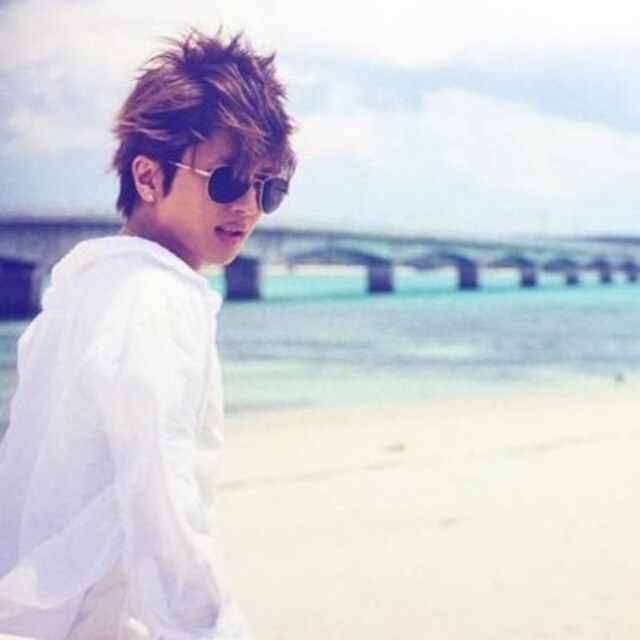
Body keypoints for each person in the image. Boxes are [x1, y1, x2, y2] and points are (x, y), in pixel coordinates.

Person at [0, 28, 295, 639]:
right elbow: (163, 505)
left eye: (268, 187)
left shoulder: (79, 291)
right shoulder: (159, 303)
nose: (247, 207)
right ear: (148, 177)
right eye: (226, 179)